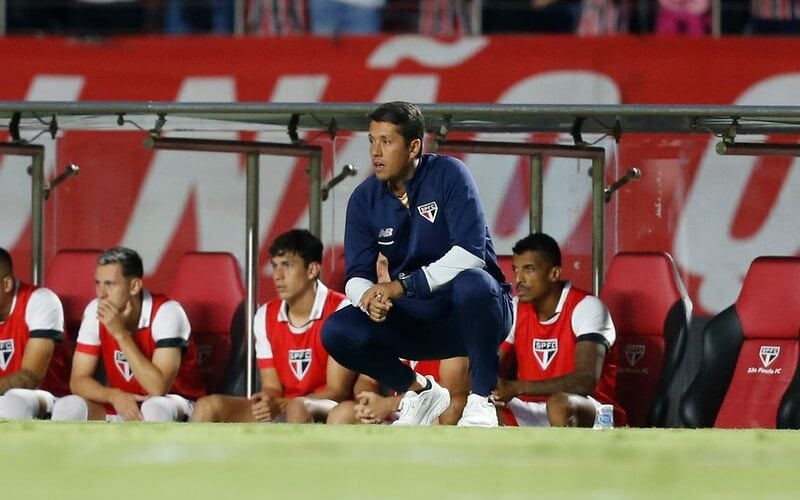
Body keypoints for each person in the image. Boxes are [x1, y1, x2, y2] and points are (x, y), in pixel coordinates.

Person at [321, 101, 513, 427]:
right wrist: (368, 299)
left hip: (471, 315)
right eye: (371, 140)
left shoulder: (450, 175)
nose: (375, 152)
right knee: (338, 330)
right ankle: (419, 391)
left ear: (414, 147)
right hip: (416, 318)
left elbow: (471, 253)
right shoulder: (364, 199)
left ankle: (482, 402)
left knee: (474, 283)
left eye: (386, 141)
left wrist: (400, 286)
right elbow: (356, 275)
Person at [191, 229, 356, 423]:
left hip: (330, 407)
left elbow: (337, 390)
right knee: (207, 406)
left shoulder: (341, 311)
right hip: (285, 405)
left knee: (298, 407)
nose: (277, 275)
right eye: (274, 266)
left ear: (312, 270)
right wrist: (266, 399)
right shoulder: (264, 316)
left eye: (287, 265)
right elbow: (272, 387)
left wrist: (283, 405)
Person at [50, 247, 205, 422]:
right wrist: (114, 396)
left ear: (134, 286)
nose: (101, 293)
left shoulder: (167, 312)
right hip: (125, 403)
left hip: (176, 403)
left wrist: (121, 334)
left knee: (155, 408)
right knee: (68, 407)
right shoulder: (96, 310)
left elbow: (157, 388)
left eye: (110, 284)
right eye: (97, 283)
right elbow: (78, 381)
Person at [491, 233, 625, 427]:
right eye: (515, 269)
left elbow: (585, 381)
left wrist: (517, 387)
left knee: (559, 405)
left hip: (589, 406)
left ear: (554, 273)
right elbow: (495, 364)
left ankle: (567, 457)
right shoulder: (515, 308)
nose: (519, 278)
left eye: (529, 269)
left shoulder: (587, 307)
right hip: (531, 406)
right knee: (479, 406)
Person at [0, 248, 71, 419]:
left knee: (15, 402)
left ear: (6, 284)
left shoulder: (41, 300)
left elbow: (29, 378)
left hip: (47, 398)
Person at [327, 356, 469, 425]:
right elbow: (365, 380)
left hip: (429, 415)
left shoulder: (450, 328)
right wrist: (368, 403)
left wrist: (389, 404)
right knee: (343, 413)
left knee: (451, 407)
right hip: (390, 415)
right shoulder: (386, 326)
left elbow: (452, 390)